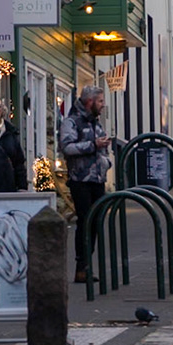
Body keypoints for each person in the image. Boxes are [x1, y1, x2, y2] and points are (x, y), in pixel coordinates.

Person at [58, 85, 112, 284]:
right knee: (85, 221)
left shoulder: (95, 123)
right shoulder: (72, 122)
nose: (103, 105)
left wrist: (106, 161)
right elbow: (67, 148)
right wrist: (93, 145)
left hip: (97, 179)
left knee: (96, 222)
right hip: (80, 180)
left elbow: (102, 149)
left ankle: (88, 264)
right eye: (100, 101)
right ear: (90, 102)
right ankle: (81, 266)